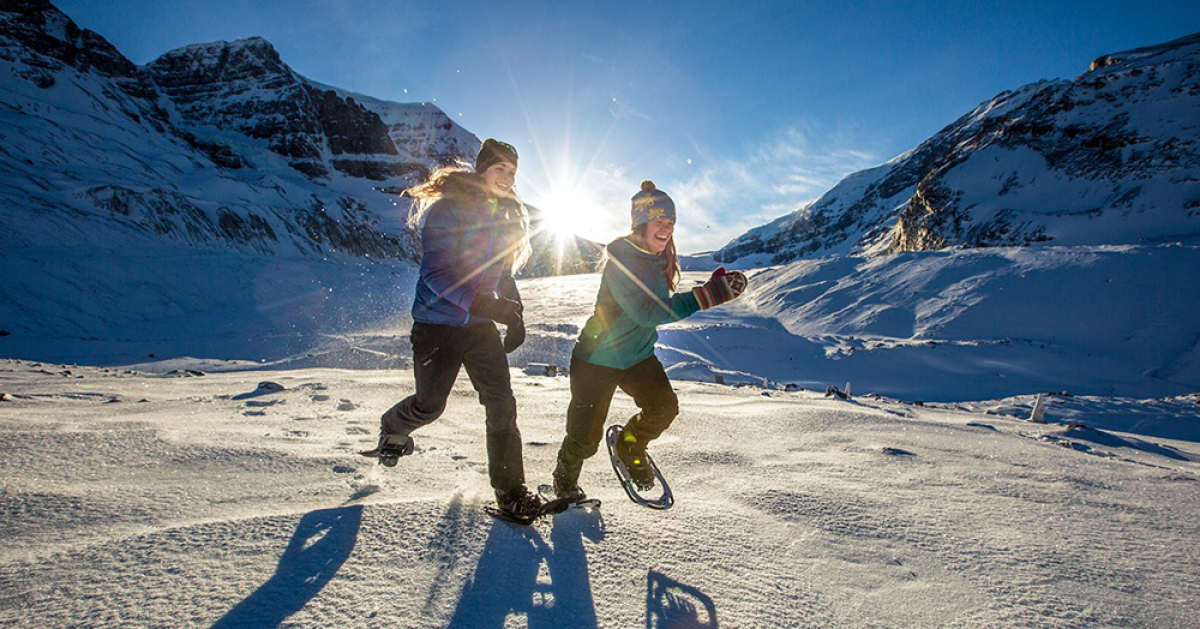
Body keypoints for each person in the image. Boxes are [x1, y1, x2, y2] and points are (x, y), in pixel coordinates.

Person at [366, 138, 541, 520]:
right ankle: (394, 425)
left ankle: (510, 492)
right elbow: (436, 273)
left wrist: (515, 315)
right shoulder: (449, 210)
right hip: (437, 327)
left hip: (479, 330)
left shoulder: (505, 217)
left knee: (501, 404)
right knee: (429, 406)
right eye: (500, 169)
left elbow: (502, 274)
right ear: (482, 169)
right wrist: (481, 304)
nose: (507, 177)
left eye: (512, 172)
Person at [550, 181, 749, 500]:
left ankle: (630, 444)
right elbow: (647, 312)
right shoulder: (621, 263)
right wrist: (705, 296)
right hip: (597, 359)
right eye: (659, 221)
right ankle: (564, 480)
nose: (667, 229)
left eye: (670, 222)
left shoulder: (659, 261)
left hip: (637, 357)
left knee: (663, 408)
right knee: (584, 439)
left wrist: (710, 288)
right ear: (641, 223)